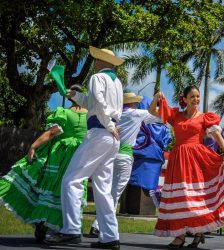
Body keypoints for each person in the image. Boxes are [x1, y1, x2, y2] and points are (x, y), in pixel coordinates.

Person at [149, 85, 224, 249]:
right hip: (178, 160)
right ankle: (180, 235)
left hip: (197, 161)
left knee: (197, 198)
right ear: (184, 99)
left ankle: (198, 233)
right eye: (192, 97)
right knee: (182, 199)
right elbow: (153, 111)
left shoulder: (205, 117)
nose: (196, 100)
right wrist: (157, 99)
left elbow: (216, 134)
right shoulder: (176, 115)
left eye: (198, 96)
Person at [45, 46, 124, 250]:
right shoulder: (117, 82)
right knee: (103, 189)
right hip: (112, 138)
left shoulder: (97, 78)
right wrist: (76, 96)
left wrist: (108, 124)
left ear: (101, 62)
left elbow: (98, 102)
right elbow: (93, 102)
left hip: (100, 132)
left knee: (71, 179)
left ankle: (71, 230)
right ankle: (110, 236)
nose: (94, 62)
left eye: (96, 59)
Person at [0, 85, 87, 243]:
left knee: (51, 188)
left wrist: (33, 146)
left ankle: (44, 225)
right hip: (82, 155)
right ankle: (66, 227)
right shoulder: (91, 116)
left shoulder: (65, 112)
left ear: (69, 97)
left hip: (61, 155)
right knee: (73, 191)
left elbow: (52, 132)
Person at [88, 92, 161, 237]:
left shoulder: (113, 113)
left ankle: (98, 224)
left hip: (107, 154)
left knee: (106, 191)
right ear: (133, 103)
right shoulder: (136, 113)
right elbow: (159, 116)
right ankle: (100, 226)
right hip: (124, 156)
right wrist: (156, 100)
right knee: (114, 193)